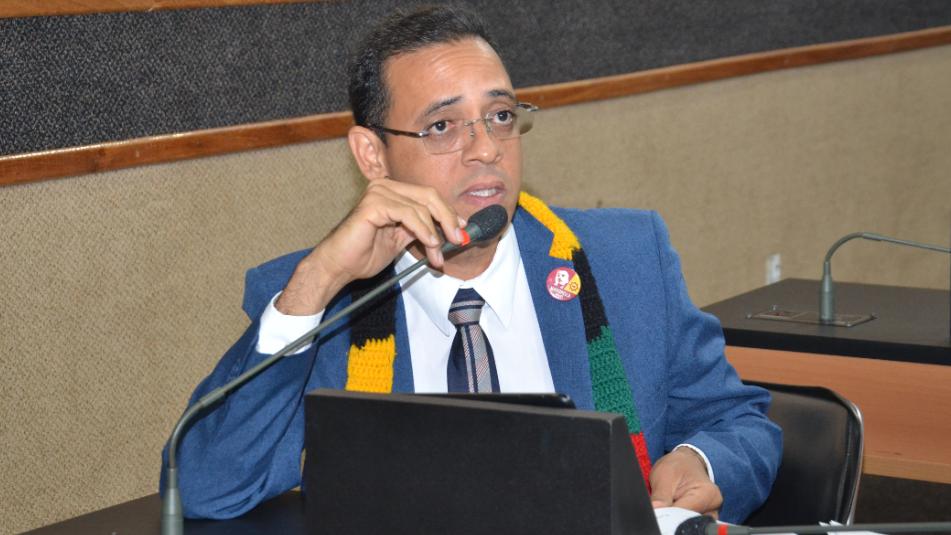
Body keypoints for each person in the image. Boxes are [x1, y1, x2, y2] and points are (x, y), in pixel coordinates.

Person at [161, 5, 781, 524]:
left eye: (501, 116)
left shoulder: (624, 259)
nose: (485, 149)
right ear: (372, 155)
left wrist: (700, 462)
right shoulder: (322, 305)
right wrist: (316, 285)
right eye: (442, 126)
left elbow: (737, 420)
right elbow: (207, 489)